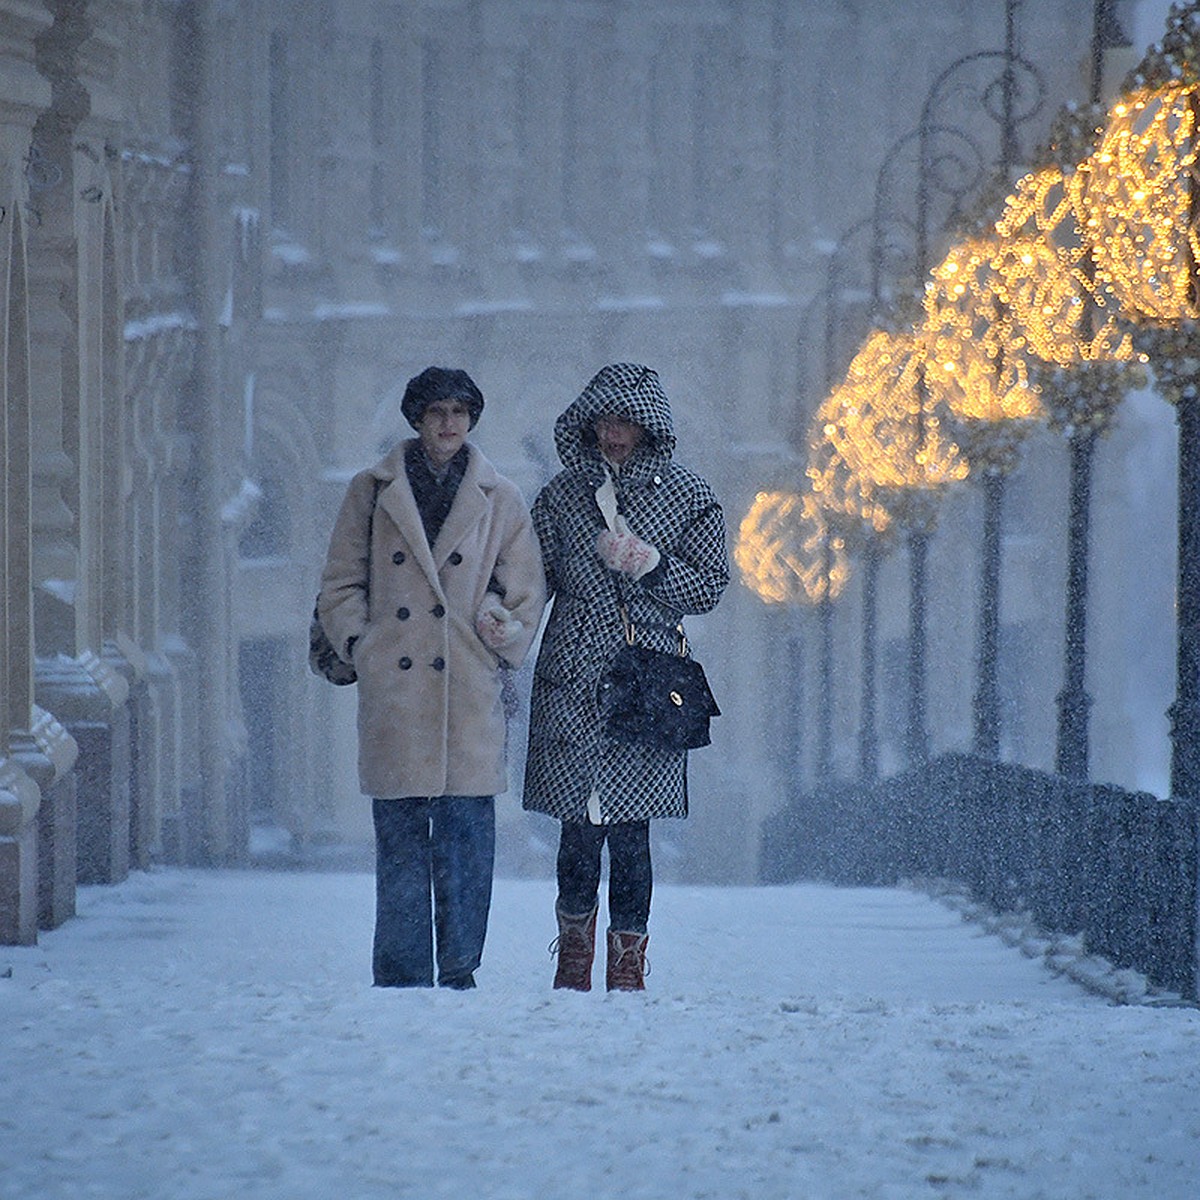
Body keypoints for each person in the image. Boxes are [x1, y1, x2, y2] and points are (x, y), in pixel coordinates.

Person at [318, 366, 545, 989]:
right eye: (438, 411)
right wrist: (363, 644)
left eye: (460, 412)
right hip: (396, 686)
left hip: (468, 688)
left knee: (469, 843)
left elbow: (525, 589)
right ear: (417, 418)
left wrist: (502, 624)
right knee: (400, 843)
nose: (449, 423)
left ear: (472, 419)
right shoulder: (371, 491)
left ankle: (460, 965)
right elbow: (341, 582)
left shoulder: (502, 498)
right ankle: (401, 968)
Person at [523, 363, 729, 991]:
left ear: (649, 429)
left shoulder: (689, 496)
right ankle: (574, 960)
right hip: (573, 672)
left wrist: (652, 565)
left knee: (632, 832)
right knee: (576, 827)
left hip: (644, 679)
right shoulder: (560, 496)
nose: (614, 436)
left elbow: (712, 584)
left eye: (626, 424)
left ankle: (628, 965)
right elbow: (532, 579)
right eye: (605, 423)